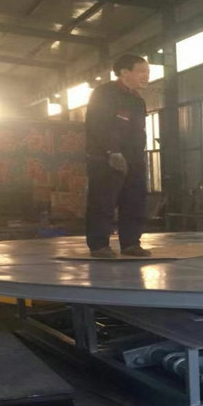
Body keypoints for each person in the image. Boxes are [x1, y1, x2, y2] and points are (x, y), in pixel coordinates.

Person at [85, 54, 151, 258]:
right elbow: (98, 125)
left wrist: (138, 158)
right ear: (124, 72)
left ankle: (131, 244)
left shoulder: (137, 100)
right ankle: (99, 246)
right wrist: (112, 151)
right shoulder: (104, 94)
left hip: (133, 158)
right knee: (103, 202)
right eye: (141, 71)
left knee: (134, 201)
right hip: (105, 158)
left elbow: (138, 131)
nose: (146, 76)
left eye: (148, 72)